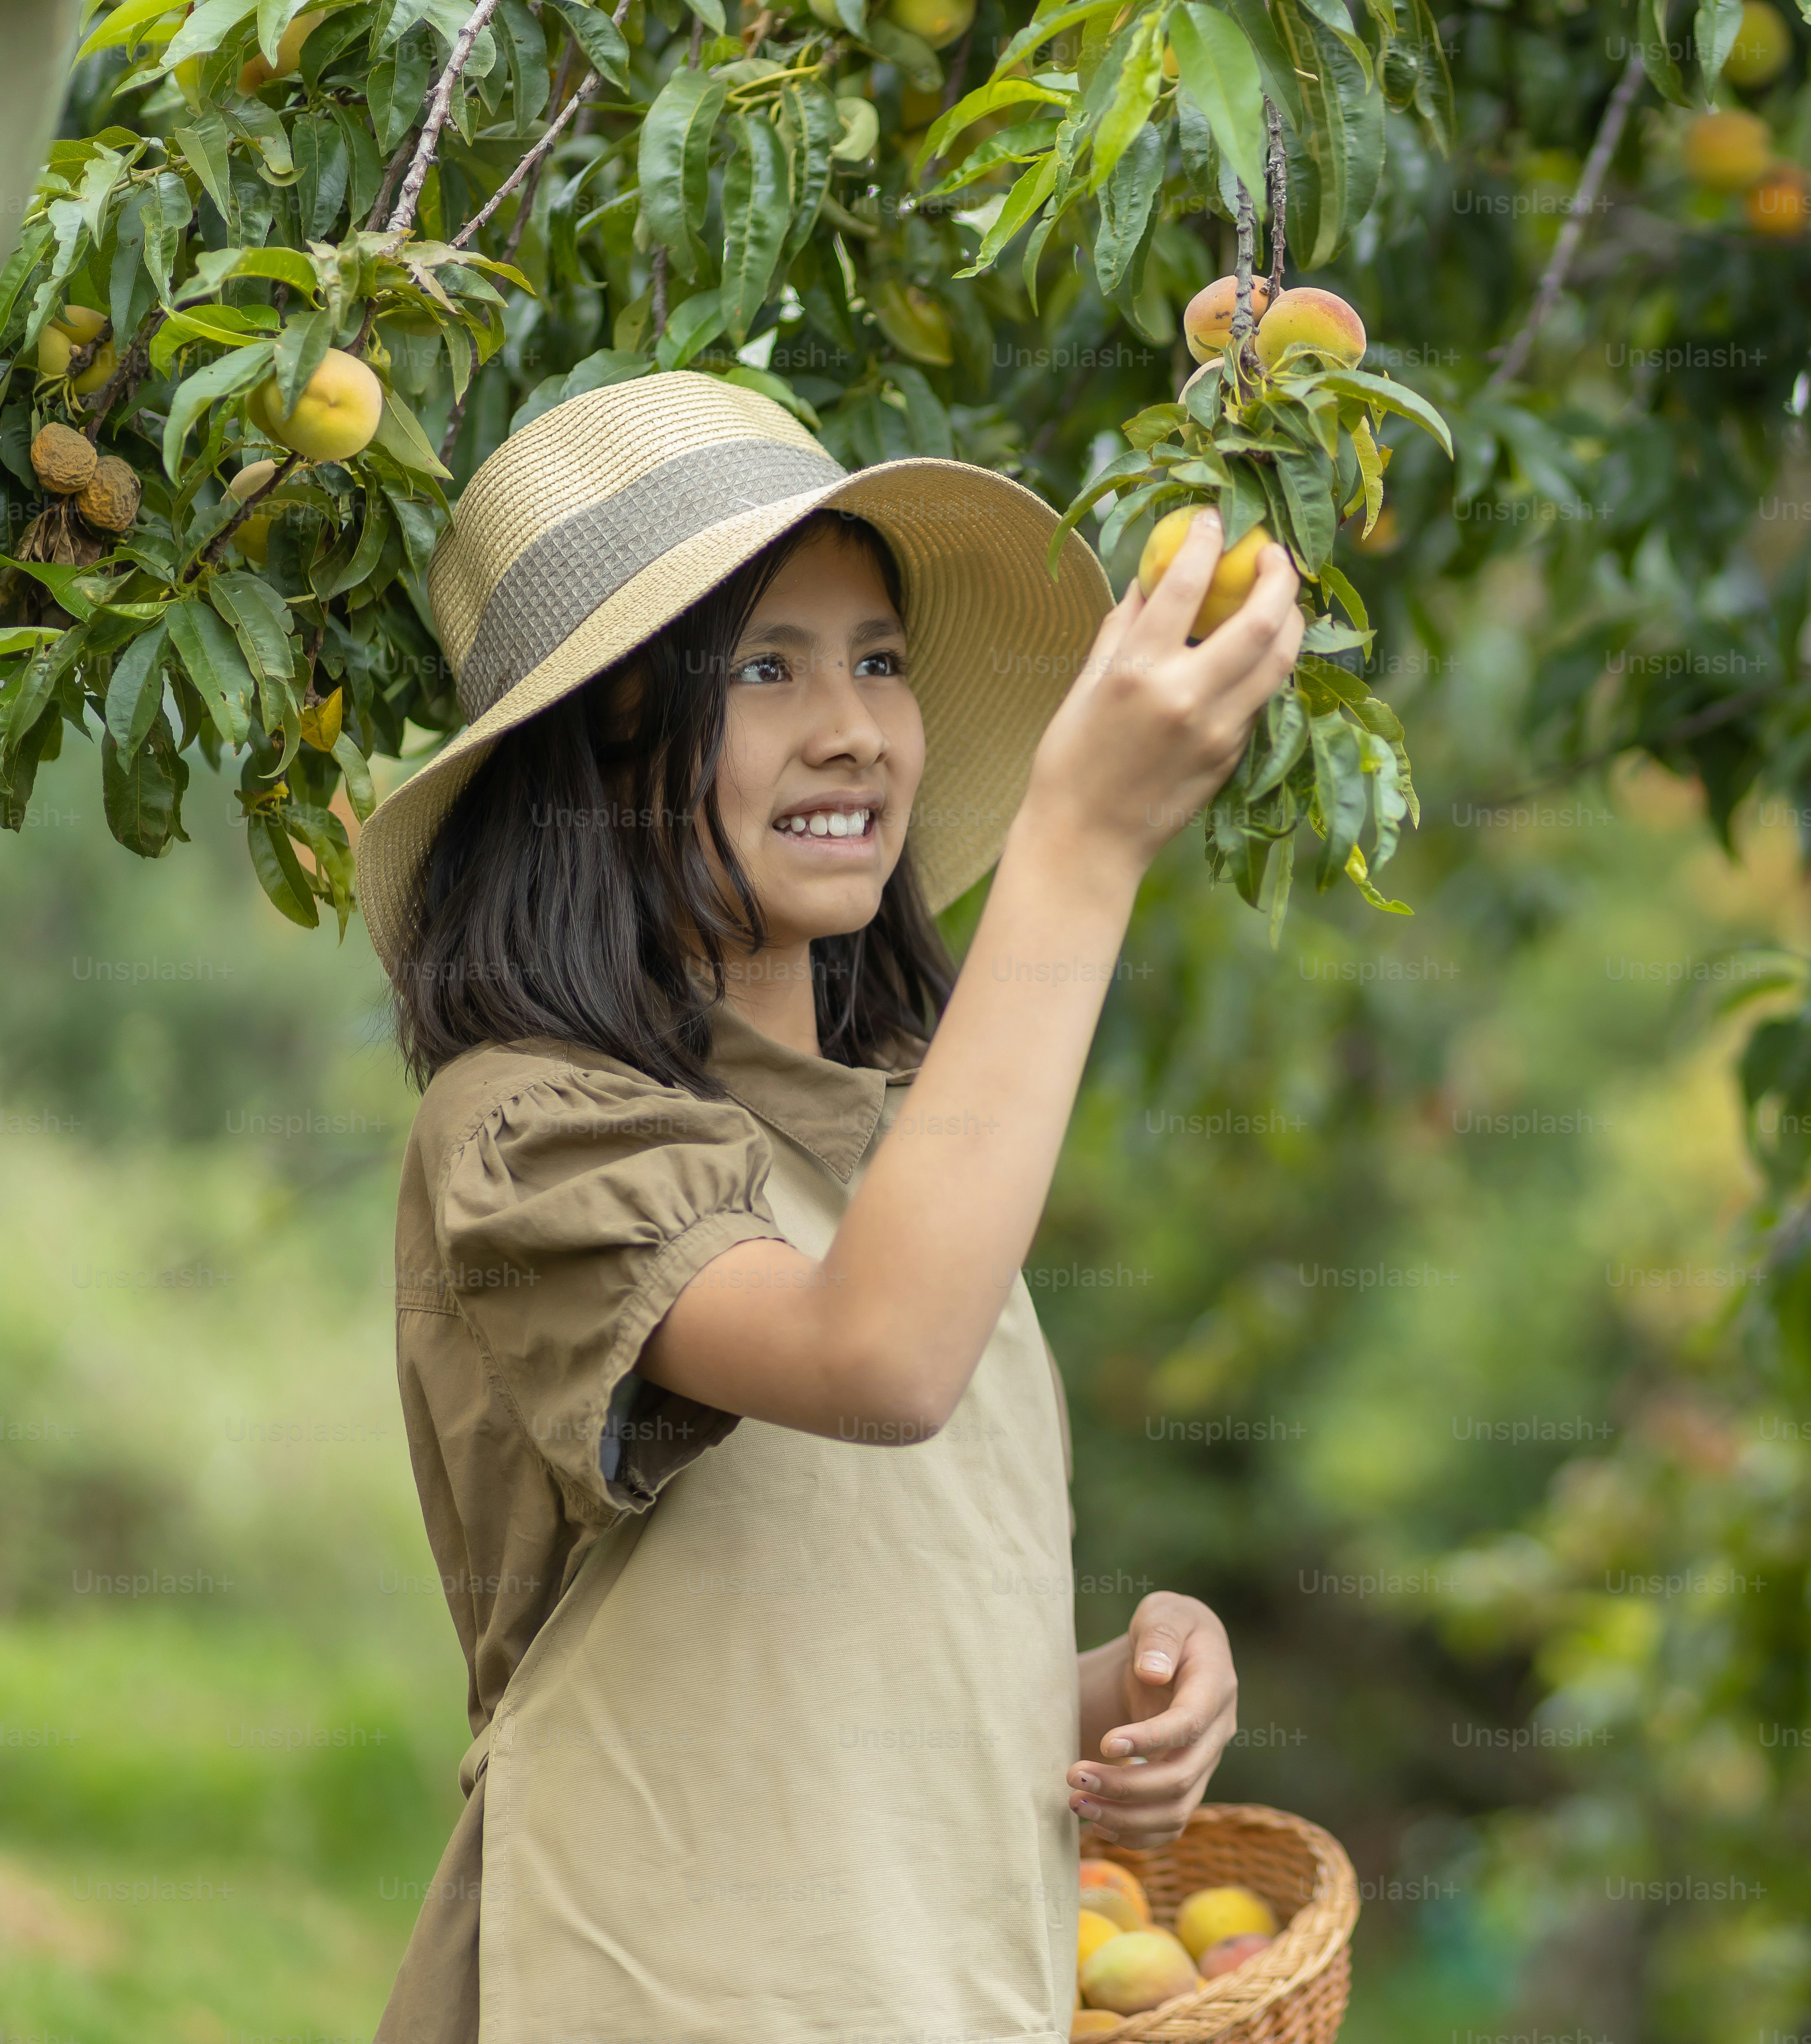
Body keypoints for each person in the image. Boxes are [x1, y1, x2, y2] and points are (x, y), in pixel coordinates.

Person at [361, 369, 1303, 2040]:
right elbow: (875, 1358)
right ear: (595, 756)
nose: (855, 725)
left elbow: (845, 1651)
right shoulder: (522, 1131)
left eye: (878, 659)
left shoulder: (896, 1160)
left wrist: (1116, 1699)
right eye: (760, 670)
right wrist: (1082, 842)